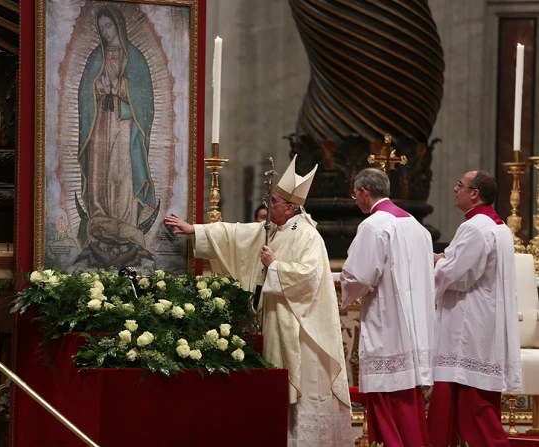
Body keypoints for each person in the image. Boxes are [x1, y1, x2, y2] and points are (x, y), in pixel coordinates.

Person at [164, 156, 353, 446]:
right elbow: (238, 232)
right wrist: (196, 230)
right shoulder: (276, 229)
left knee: (305, 392)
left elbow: (309, 278)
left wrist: (275, 266)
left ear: (290, 207)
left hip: (302, 332)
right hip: (277, 322)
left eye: (274, 201)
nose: (269, 206)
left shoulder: (308, 236)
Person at [340, 168, 434, 447]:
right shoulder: (417, 226)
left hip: (387, 327)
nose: (355, 199)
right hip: (414, 330)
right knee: (409, 406)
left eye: (355, 193)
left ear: (365, 192)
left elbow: (359, 276)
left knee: (386, 401)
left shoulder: (373, 225)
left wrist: (345, 287)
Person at [427, 170, 521, 447]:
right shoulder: (499, 227)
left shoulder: (474, 227)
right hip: (484, 321)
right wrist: (447, 258)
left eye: (460, 185)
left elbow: (456, 275)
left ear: (474, 194)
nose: (455, 189)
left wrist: (436, 262)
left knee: (473, 410)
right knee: (472, 404)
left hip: (466, 327)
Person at [76, 6, 158, 266]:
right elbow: (84, 93)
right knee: (100, 171)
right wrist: (100, 86)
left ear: (118, 26)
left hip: (124, 126)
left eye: (108, 26)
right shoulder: (94, 58)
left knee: (121, 172)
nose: (105, 31)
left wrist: (121, 87)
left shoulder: (134, 58)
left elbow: (145, 99)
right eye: (101, 28)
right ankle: (100, 220)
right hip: (100, 123)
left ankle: (124, 223)